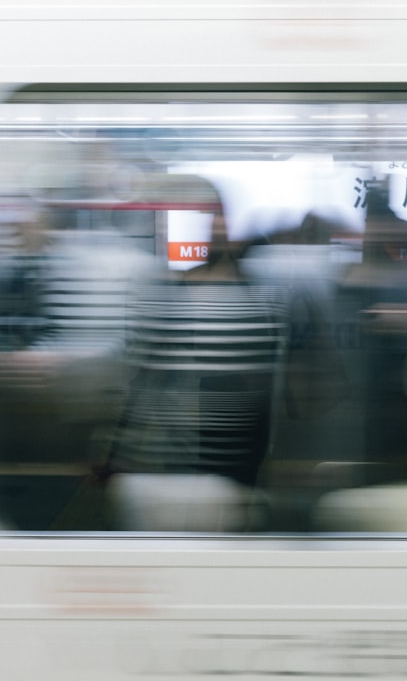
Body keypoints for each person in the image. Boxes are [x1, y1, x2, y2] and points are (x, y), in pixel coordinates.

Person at [105, 183, 290, 532]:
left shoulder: (263, 298)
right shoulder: (163, 294)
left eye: (219, 217)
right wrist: (119, 456)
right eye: (205, 217)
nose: (215, 226)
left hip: (239, 458)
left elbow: (272, 386)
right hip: (170, 459)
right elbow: (140, 380)